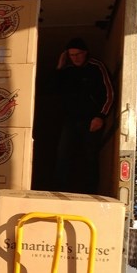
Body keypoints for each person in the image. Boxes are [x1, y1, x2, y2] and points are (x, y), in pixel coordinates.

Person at [53, 37, 114, 194]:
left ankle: (91, 192)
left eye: (78, 54)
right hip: (70, 120)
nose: (75, 58)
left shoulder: (97, 66)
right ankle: (61, 191)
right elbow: (52, 89)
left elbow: (110, 93)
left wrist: (101, 116)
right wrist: (59, 67)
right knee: (63, 154)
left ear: (85, 53)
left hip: (91, 120)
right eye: (71, 55)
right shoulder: (67, 70)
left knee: (90, 156)